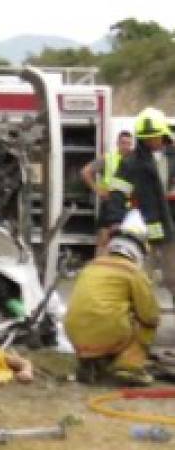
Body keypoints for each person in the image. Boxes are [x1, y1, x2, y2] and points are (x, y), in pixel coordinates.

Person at [65, 213, 161, 386]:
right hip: (108, 331)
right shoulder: (133, 272)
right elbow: (149, 315)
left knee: (110, 315)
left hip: (75, 334)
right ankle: (128, 366)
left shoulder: (92, 265)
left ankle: (92, 363)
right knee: (145, 324)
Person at [108, 108, 175, 297]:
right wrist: (115, 221)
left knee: (174, 278)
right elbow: (117, 193)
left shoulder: (172, 157)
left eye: (156, 136)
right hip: (143, 233)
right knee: (139, 279)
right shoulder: (132, 163)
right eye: (148, 137)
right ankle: (135, 319)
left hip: (169, 230)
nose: (152, 141)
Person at [81, 129, 135, 253]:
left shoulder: (135, 162)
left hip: (128, 207)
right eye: (123, 143)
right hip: (109, 205)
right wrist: (98, 190)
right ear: (117, 143)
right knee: (103, 241)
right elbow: (85, 172)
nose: (126, 147)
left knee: (124, 244)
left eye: (129, 144)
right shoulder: (108, 158)